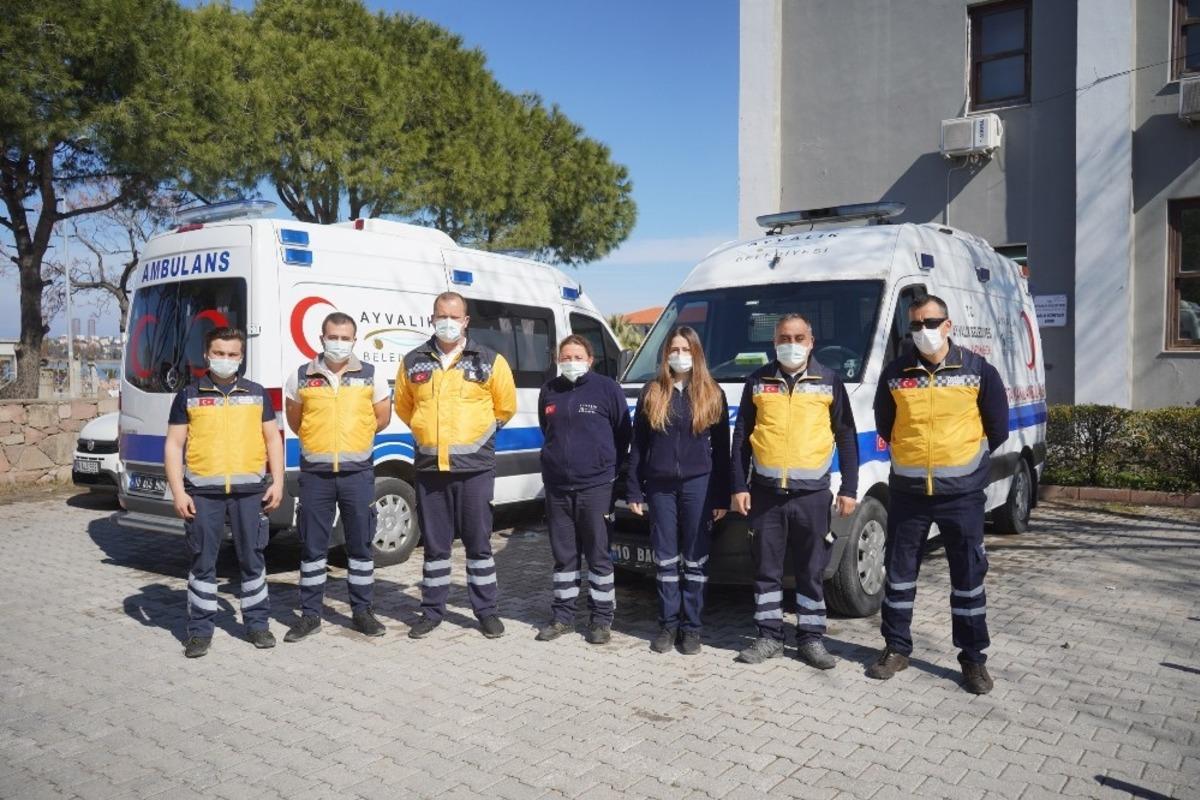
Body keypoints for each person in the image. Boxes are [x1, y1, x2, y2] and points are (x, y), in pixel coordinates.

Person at [868, 294, 1009, 694]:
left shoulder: (979, 370)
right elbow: (886, 422)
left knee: (967, 579)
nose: (924, 332)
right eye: (916, 325)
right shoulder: (896, 373)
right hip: (910, 492)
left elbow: (997, 427)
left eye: (931, 323)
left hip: (962, 494)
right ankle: (896, 648)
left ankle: (973, 660)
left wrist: (969, 464)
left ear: (948, 325)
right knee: (898, 575)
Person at [730, 313, 859, 668]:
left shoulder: (829, 381)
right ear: (774, 343)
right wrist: (738, 485)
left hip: (812, 495)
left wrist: (849, 487)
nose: (791, 344)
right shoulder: (757, 381)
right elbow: (741, 436)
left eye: (798, 337)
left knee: (811, 570)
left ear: (811, 341)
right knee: (766, 570)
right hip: (766, 494)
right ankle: (769, 636)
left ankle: (812, 639)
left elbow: (846, 436)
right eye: (784, 338)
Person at [394, 292, 517, 639]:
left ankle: (486, 611)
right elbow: (405, 408)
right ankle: (432, 611)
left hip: (474, 467)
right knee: (435, 546)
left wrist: (477, 439)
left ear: (466, 321)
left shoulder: (490, 360)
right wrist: (426, 434)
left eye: (454, 316)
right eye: (440, 315)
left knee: (479, 544)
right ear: (431, 318)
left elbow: (504, 407)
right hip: (431, 467)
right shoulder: (413, 362)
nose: (447, 321)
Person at [164, 327, 284, 658]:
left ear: (242, 357)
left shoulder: (257, 393)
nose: (226, 359)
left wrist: (278, 482)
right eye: (219, 353)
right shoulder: (189, 395)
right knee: (203, 563)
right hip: (203, 493)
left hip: (250, 493)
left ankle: (258, 625)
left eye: (232, 354)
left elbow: (274, 439)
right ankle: (200, 631)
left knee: (252, 560)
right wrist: (178, 492)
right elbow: (174, 445)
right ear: (207, 354)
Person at [282, 312, 393, 643]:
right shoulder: (301, 376)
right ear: (322, 338)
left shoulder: (371, 375)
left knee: (360, 546)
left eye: (346, 338)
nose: (339, 343)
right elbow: (295, 418)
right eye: (334, 337)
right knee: (313, 546)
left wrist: (352, 439)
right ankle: (310, 615)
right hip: (316, 476)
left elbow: (381, 418)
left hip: (357, 474)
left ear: (354, 340)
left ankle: (362, 612)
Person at [626, 326, 729, 655]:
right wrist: (634, 490)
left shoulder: (712, 393)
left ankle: (692, 629)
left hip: (699, 485)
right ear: (665, 353)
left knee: (696, 560)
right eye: (674, 349)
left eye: (686, 349)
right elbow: (638, 446)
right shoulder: (652, 391)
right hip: (659, 487)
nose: (679, 355)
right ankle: (668, 625)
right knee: (666, 559)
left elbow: (723, 451)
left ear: (696, 353)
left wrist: (721, 496)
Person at [534, 335, 631, 645]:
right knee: (564, 557)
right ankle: (562, 616)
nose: (571, 362)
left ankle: (601, 619)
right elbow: (546, 430)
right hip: (558, 487)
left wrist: (608, 470)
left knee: (599, 555)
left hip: (596, 486)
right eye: (565, 357)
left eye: (577, 356)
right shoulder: (549, 390)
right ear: (557, 360)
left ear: (590, 360)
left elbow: (622, 433)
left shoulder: (607, 389)